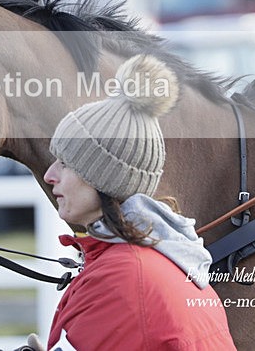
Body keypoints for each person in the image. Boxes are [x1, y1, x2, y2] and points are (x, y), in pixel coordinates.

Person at [38, 54, 235, 351]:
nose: (49, 175)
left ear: (104, 177)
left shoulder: (119, 278)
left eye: (65, 163)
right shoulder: (164, 258)